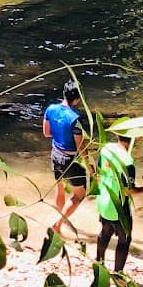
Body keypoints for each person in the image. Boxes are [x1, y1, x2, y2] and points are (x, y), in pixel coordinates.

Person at [93, 133, 143, 273]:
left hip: (104, 200)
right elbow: (129, 190)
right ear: (133, 138)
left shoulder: (106, 149)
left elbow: (97, 174)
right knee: (124, 239)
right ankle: (118, 273)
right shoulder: (128, 162)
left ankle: (99, 263)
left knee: (105, 232)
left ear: (117, 135)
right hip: (119, 207)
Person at [43, 81, 90, 230]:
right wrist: (91, 168)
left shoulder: (50, 109)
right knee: (79, 195)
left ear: (64, 94)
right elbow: (80, 147)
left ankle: (59, 217)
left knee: (60, 187)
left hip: (55, 154)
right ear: (77, 99)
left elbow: (46, 133)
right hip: (69, 160)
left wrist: (60, 135)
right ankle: (57, 225)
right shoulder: (75, 119)